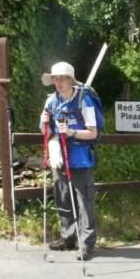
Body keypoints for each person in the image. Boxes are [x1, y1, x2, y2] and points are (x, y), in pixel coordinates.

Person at [39, 61, 98, 260]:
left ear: (71, 80)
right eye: (55, 78)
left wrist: (72, 132)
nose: (58, 82)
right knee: (63, 196)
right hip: (59, 157)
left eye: (62, 78)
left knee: (84, 201)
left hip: (80, 158)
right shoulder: (51, 102)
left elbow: (93, 133)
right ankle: (68, 238)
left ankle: (87, 244)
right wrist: (44, 122)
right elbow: (46, 130)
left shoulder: (84, 101)